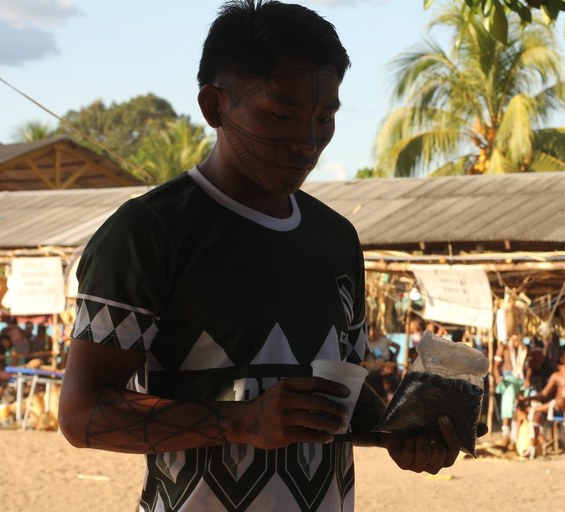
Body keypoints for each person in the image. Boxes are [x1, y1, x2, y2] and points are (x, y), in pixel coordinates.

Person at [58, 3, 463, 511]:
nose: (307, 142)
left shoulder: (337, 238)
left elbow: (337, 397)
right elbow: (82, 414)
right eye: (280, 115)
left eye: (325, 118)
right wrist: (241, 421)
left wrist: (396, 430)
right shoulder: (149, 232)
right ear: (213, 106)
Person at [529, 345, 565, 463]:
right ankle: (533, 449)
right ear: (561, 359)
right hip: (556, 407)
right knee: (537, 417)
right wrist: (529, 398)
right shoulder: (556, 375)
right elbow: (544, 393)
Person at [492, 334, 526, 449]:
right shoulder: (504, 347)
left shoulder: (523, 349)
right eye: (515, 337)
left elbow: (527, 367)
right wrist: (498, 378)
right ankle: (505, 434)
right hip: (507, 381)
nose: (517, 340)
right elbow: (496, 366)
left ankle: (515, 438)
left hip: (520, 381)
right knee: (508, 402)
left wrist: (527, 380)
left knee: (517, 407)